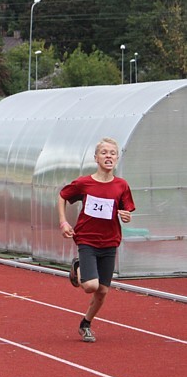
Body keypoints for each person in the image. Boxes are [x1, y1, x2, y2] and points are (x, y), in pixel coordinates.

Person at [58, 137, 135, 343]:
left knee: (102, 291)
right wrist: (63, 222)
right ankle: (79, 265)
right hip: (87, 240)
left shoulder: (121, 185)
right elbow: (63, 195)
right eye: (104, 152)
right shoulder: (84, 183)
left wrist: (126, 215)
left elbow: (126, 210)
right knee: (90, 286)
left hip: (110, 242)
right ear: (96, 157)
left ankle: (85, 324)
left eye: (112, 153)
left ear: (117, 158)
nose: (108, 156)